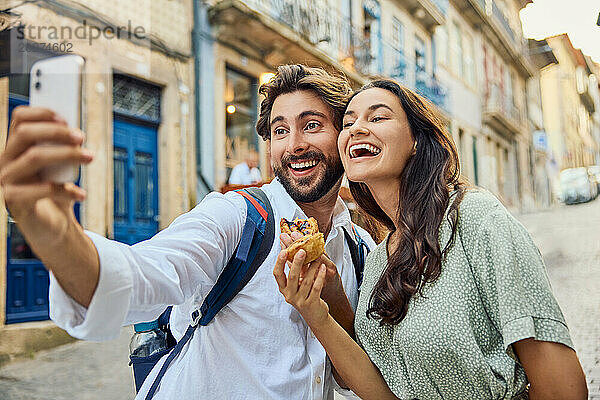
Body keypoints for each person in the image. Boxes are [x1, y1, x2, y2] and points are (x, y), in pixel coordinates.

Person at [0, 64, 376, 399]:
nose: (294, 145)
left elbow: (349, 378)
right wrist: (57, 237)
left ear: (343, 138)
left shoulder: (360, 250)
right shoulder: (238, 217)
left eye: (311, 125)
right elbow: (141, 275)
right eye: (280, 131)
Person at [274, 79, 589, 400]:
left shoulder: (475, 218)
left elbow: (561, 384)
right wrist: (314, 308)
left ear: (416, 141)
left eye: (378, 117)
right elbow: (383, 391)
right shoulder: (378, 259)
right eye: (349, 122)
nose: (356, 129)